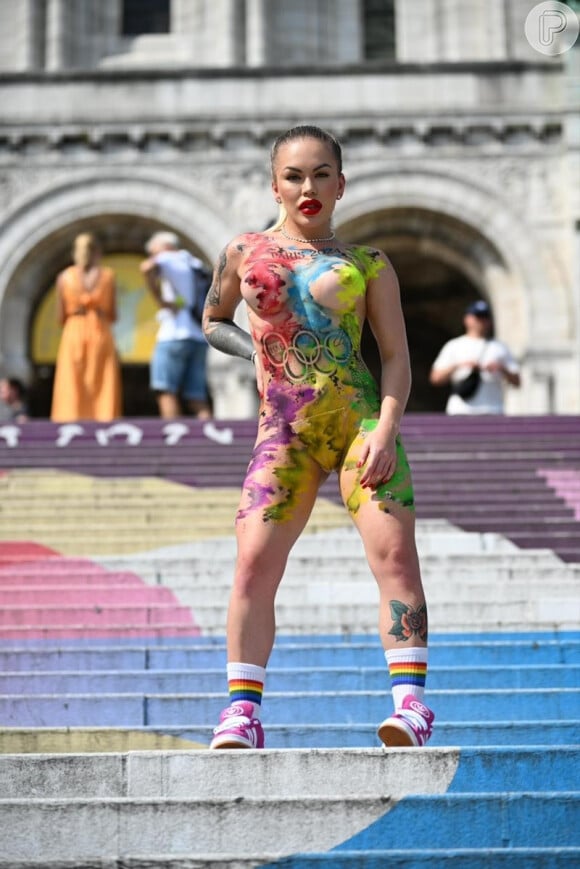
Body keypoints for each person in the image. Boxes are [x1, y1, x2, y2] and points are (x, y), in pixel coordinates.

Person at [203, 124, 434, 750]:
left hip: (360, 426)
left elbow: (396, 357)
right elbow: (214, 320)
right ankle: (242, 714)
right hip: (283, 431)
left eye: (321, 174)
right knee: (253, 565)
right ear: (274, 184)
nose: (308, 188)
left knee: (394, 560)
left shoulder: (367, 264)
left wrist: (386, 429)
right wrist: (250, 346)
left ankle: (411, 706)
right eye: (294, 176)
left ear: (340, 182)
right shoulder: (242, 252)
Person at [51, 233, 122, 422]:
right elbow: (114, 314)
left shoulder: (64, 277)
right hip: (100, 330)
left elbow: (60, 316)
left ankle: (69, 419)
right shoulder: (108, 276)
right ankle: (103, 419)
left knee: (72, 379)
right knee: (103, 380)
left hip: (73, 330)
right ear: (97, 252)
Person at [141, 231, 212, 420]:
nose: (152, 255)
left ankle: (172, 441)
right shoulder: (194, 262)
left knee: (165, 390)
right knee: (197, 396)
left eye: (152, 251)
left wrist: (160, 300)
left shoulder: (166, 257)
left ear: (162, 246)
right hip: (198, 336)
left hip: (173, 334)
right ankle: (209, 440)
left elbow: (146, 268)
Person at [429, 299, 521, 414]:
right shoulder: (454, 345)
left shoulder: (500, 347)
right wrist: (460, 366)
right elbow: (435, 378)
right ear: (467, 319)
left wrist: (501, 368)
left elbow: (517, 382)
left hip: (493, 410)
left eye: (485, 318)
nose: (481, 321)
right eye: (478, 317)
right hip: (461, 410)